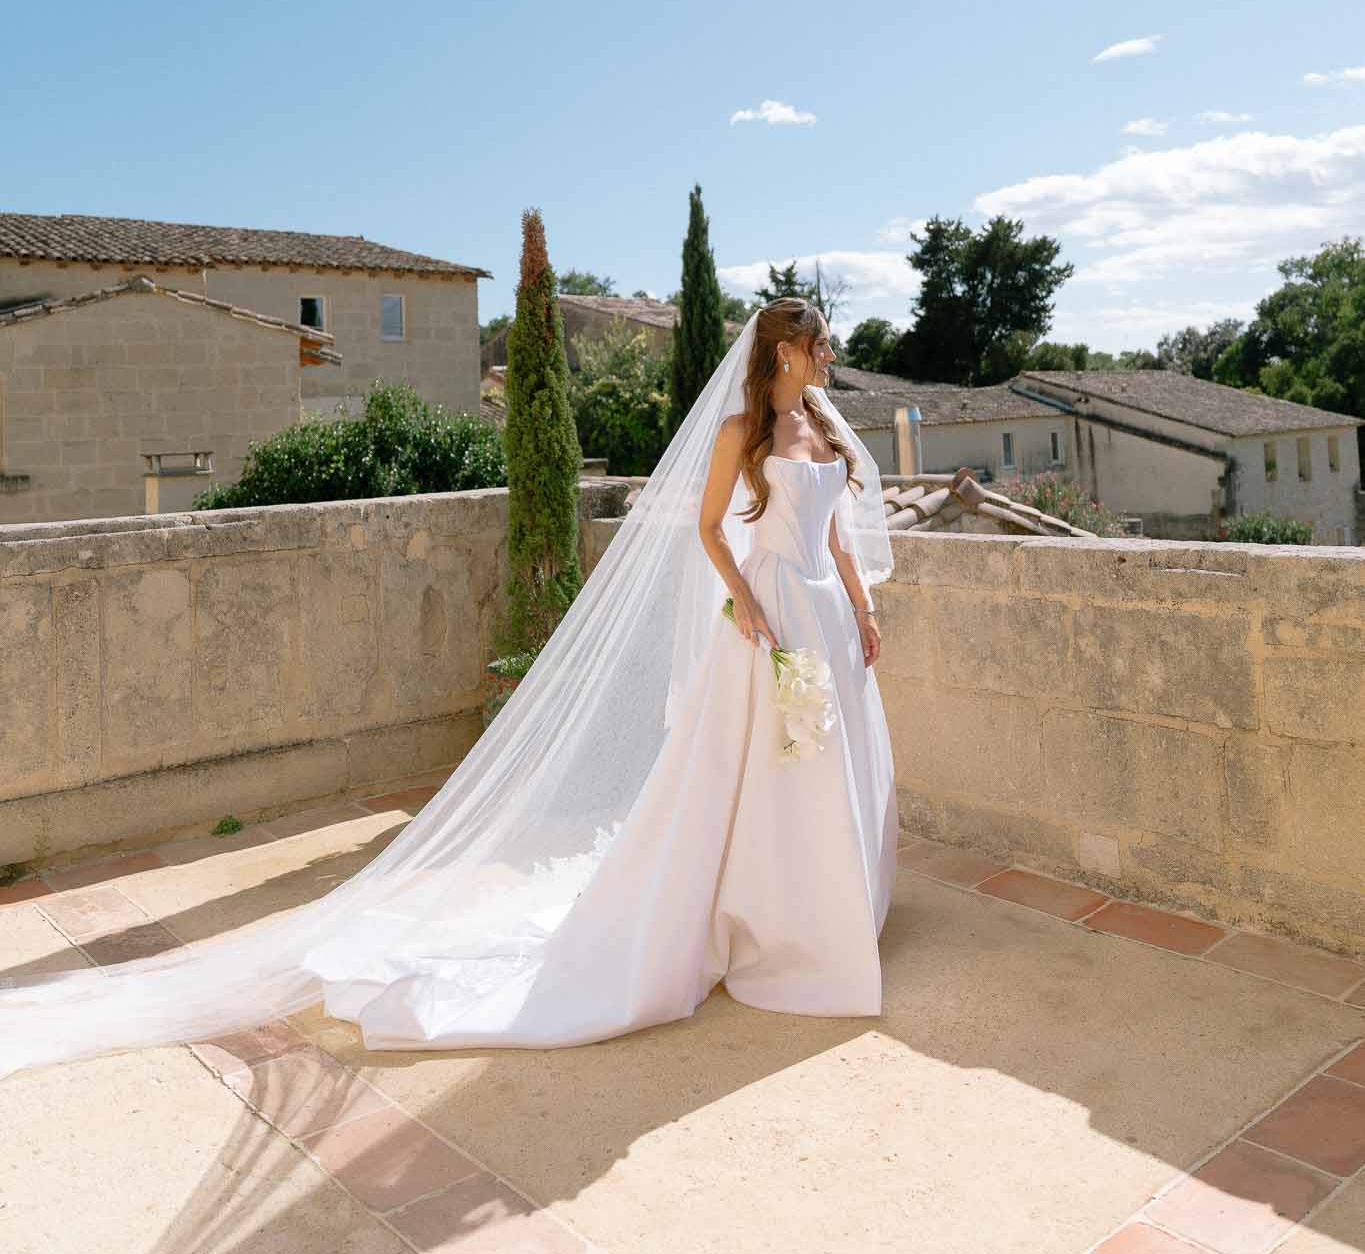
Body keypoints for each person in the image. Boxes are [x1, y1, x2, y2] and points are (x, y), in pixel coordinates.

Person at [0, 299, 896, 1079]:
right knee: (763, 768)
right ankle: (772, 920)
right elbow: (707, 531)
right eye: (819, 346)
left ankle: (829, 912)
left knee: (828, 757)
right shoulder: (743, 433)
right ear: (786, 350)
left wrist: (861, 611)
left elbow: (844, 534)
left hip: (822, 608)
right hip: (769, 614)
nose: (827, 359)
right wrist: (743, 604)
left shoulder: (822, 424)